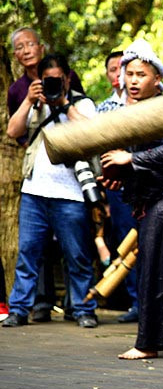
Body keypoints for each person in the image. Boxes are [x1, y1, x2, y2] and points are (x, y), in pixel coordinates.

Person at [100, 39, 163, 359]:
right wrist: (119, 174)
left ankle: (150, 343)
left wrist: (130, 162)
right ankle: (162, 338)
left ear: (158, 80)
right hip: (148, 200)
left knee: (159, 270)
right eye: (130, 73)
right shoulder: (132, 111)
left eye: (141, 74)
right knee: (154, 270)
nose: (134, 80)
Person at [3, 54, 99, 328]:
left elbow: (93, 132)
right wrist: (29, 101)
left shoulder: (82, 104)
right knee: (28, 253)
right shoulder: (36, 105)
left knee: (78, 255)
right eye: (47, 81)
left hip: (70, 193)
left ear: (67, 79)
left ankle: (83, 309)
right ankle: (20, 309)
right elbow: (13, 131)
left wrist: (64, 104)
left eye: (57, 79)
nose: (53, 84)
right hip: (34, 191)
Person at [95, 50, 142, 323]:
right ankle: (135, 302)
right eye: (116, 69)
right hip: (116, 184)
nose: (122, 75)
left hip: (146, 181)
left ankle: (149, 306)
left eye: (129, 70)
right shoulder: (105, 107)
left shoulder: (151, 103)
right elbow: (102, 147)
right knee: (125, 242)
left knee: (147, 243)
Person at [7, 27, 84, 119]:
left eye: (31, 44)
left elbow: (82, 103)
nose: (26, 51)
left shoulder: (67, 76)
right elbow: (15, 130)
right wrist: (29, 100)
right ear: (15, 55)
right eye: (20, 47)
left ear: (41, 48)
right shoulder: (15, 90)